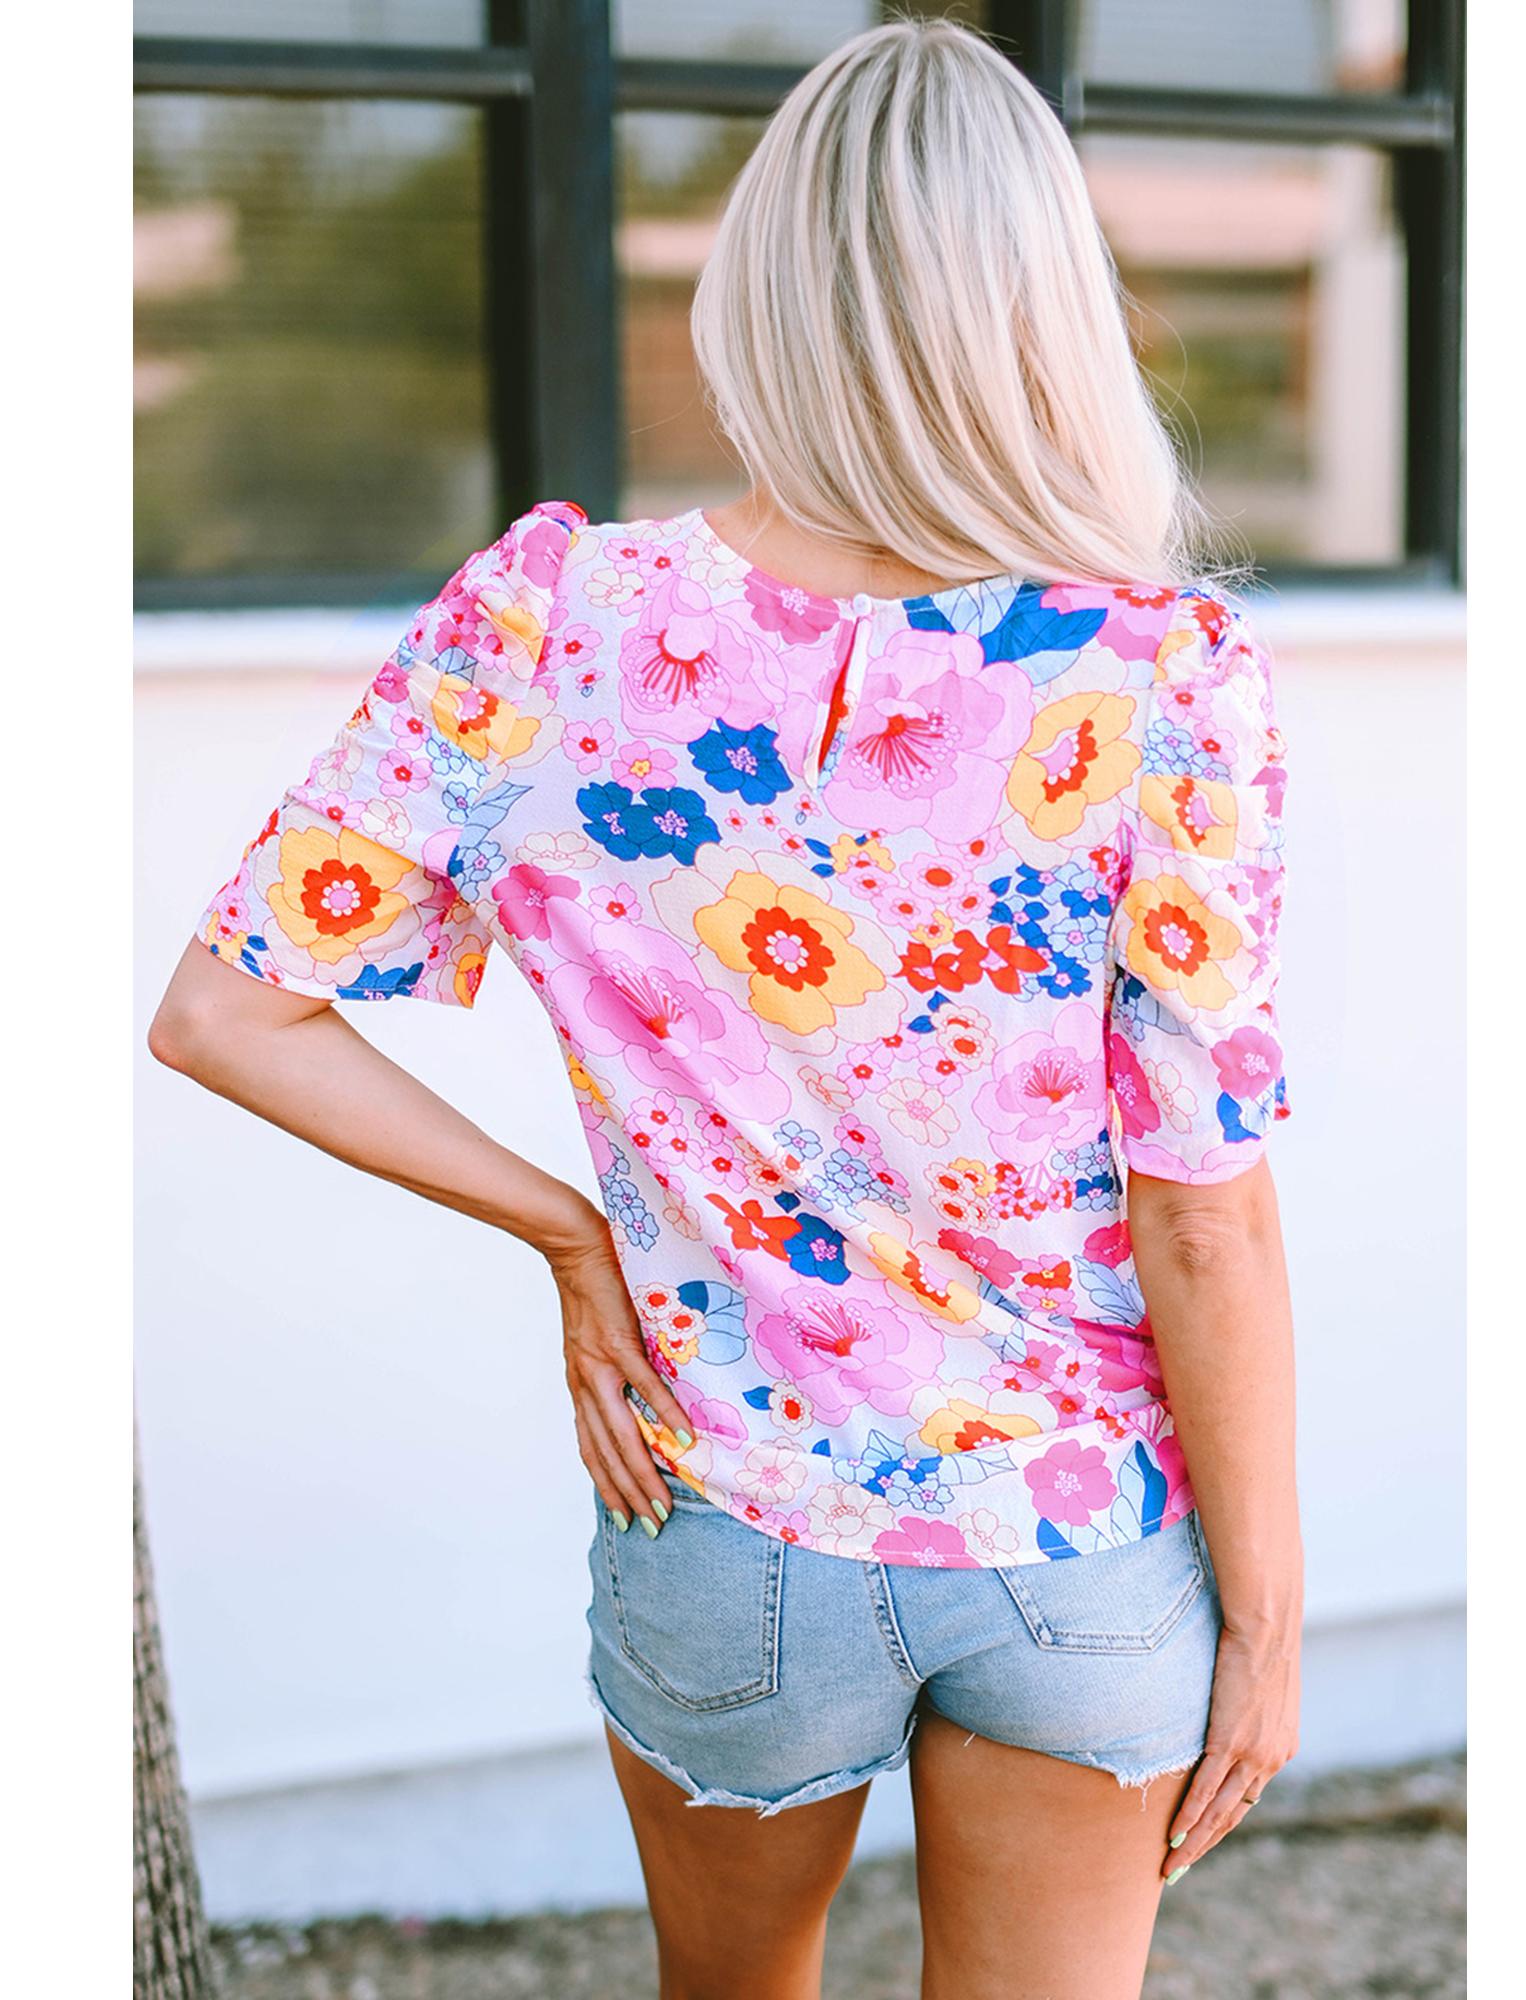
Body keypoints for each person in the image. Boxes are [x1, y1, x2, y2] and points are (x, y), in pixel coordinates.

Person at [148, 20, 1300, 1999]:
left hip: (725, 1518)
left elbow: (224, 1014)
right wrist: (1268, 1624)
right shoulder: (1161, 673)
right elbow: (1204, 1212)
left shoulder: (551, 622)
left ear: (758, 293)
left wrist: (566, 1231)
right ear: (1045, 307)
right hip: (1079, 1534)